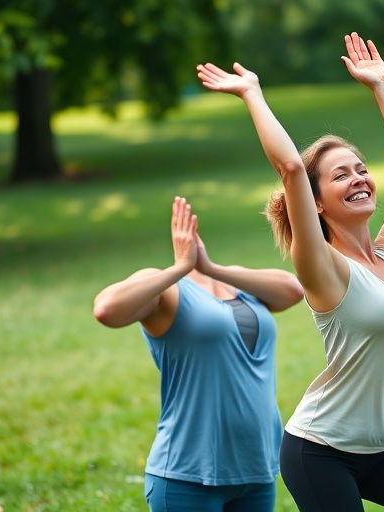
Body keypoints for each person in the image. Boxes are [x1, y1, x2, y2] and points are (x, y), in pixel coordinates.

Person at [197, 34, 384, 512]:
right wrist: (252, 93)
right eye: (341, 175)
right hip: (319, 452)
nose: (359, 178)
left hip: (380, 452)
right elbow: (292, 169)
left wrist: (383, 88)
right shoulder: (322, 267)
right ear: (316, 203)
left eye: (360, 169)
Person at [92, 196, 304, 512]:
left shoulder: (234, 283)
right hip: (187, 477)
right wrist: (179, 269)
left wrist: (211, 268)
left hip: (255, 472)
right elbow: (107, 309)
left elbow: (293, 290)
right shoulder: (166, 290)